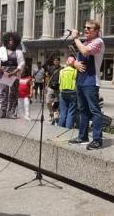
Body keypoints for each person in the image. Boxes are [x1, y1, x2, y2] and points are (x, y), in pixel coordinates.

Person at [68, 20, 106, 150]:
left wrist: (76, 38)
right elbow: (71, 59)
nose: (85, 29)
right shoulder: (84, 42)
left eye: (89, 28)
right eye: (84, 27)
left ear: (96, 31)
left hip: (91, 81)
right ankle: (82, 135)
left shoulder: (98, 42)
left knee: (95, 110)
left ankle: (97, 139)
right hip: (80, 80)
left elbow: (84, 52)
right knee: (82, 109)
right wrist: (74, 63)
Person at [0, 32, 25, 119]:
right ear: (6, 41)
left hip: (14, 74)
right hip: (3, 74)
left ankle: (11, 113)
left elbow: (22, 63)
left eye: (12, 40)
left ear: (16, 41)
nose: (11, 41)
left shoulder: (18, 52)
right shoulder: (1, 50)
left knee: (13, 94)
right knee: (2, 93)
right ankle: (2, 112)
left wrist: (14, 72)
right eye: (9, 40)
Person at [57, 56, 77, 128]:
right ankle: (68, 128)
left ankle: (60, 127)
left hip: (63, 93)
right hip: (73, 93)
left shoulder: (61, 71)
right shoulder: (75, 71)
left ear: (67, 62)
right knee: (71, 112)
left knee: (63, 112)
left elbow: (59, 82)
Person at [45, 57, 61, 123]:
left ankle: (55, 116)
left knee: (57, 103)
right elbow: (47, 76)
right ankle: (51, 113)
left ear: (59, 61)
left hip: (58, 88)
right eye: (55, 60)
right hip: (50, 87)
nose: (56, 61)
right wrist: (46, 85)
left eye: (57, 60)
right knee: (48, 102)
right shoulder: (50, 68)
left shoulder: (62, 69)